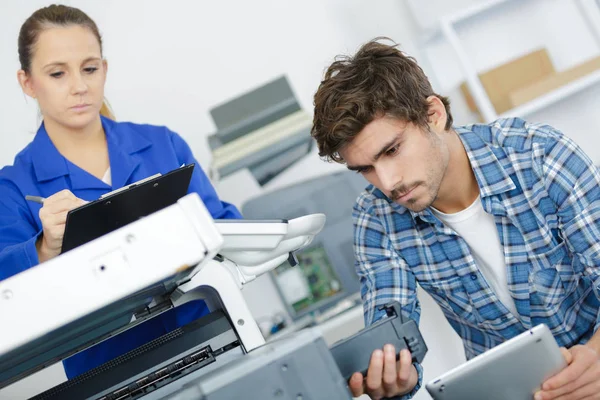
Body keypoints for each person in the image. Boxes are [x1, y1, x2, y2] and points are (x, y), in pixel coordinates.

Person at [311, 38, 600, 400]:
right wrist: (395, 379)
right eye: (365, 169)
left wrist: (593, 361)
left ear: (433, 115)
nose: (387, 183)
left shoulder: (540, 158)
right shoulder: (376, 219)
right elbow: (391, 335)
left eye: (392, 150)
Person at [0, 4, 240, 379]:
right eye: (57, 73)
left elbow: (224, 228)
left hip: (214, 341)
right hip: (111, 377)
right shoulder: (14, 187)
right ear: (27, 82)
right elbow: (7, 297)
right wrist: (45, 248)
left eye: (90, 68)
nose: (80, 86)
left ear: (104, 70)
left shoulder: (163, 145)